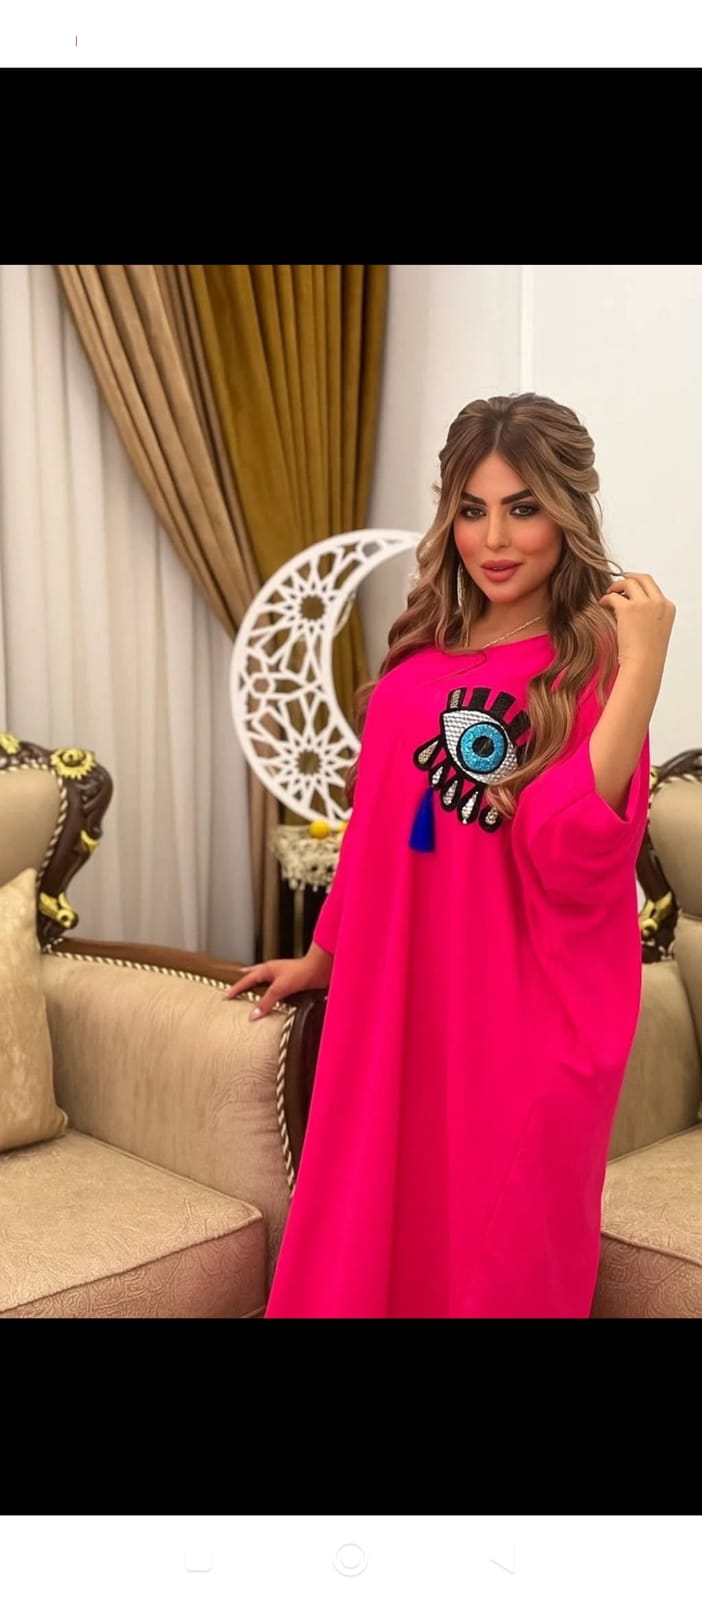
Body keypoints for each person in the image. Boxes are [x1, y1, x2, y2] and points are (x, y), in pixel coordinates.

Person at [225, 392, 676, 1319]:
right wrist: (325, 953)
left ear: (568, 514)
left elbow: (576, 855)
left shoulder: (589, 667)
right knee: (370, 1239)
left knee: (495, 1266)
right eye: (472, 509)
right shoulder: (419, 658)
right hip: (397, 1007)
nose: (494, 539)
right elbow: (381, 828)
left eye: (523, 508)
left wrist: (642, 671)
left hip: (523, 1028)